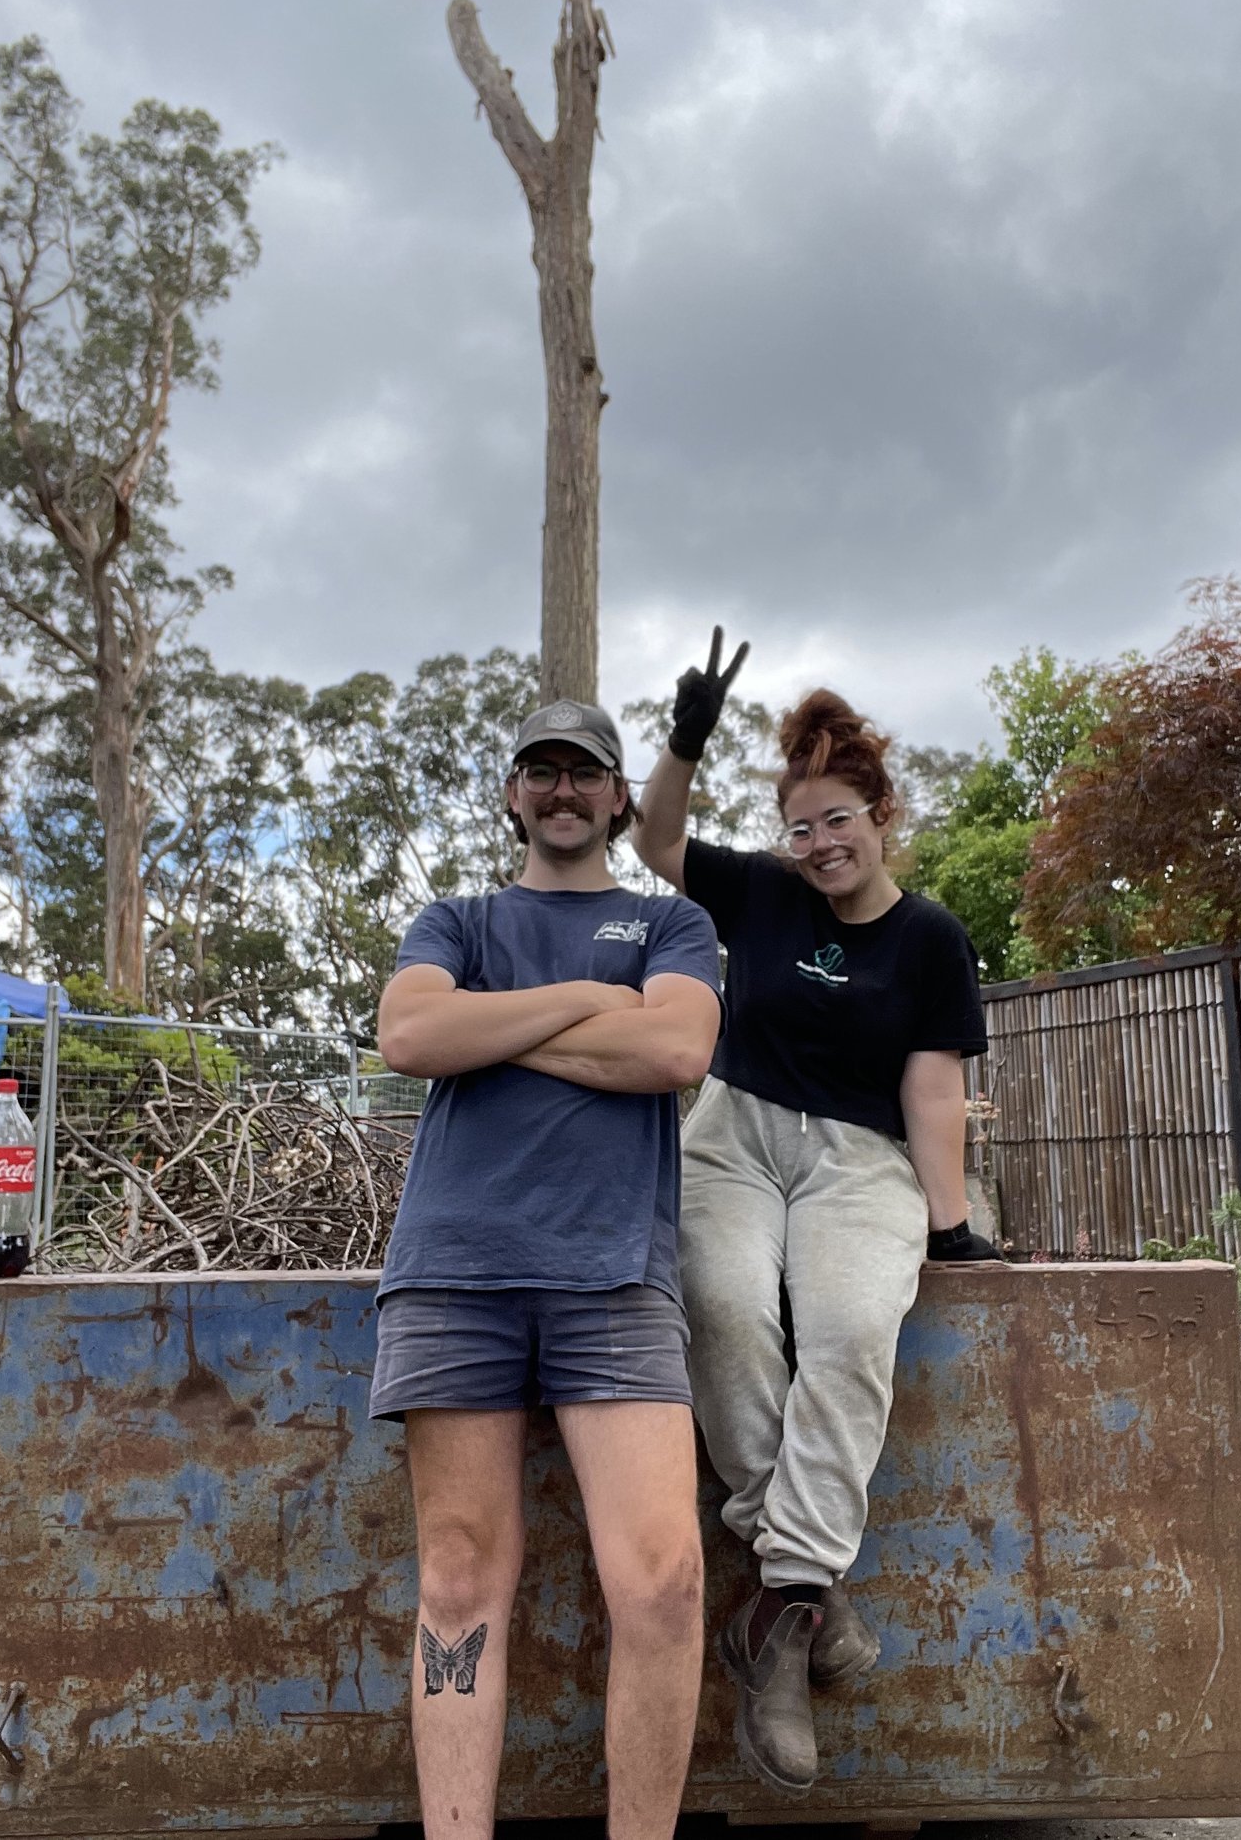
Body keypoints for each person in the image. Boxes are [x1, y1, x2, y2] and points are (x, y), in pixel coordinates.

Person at [631, 634, 1001, 1793]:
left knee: (847, 1336)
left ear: (881, 812)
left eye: (838, 818)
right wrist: (684, 741)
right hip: (734, 1137)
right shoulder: (758, 891)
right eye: (800, 825)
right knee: (723, 1305)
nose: (818, 843)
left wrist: (948, 1222)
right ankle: (802, 1601)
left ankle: (776, 1613)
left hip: (858, 1162)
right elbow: (651, 840)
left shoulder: (932, 939)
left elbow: (931, 1086)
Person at [371, 697, 725, 1840]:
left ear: (621, 798)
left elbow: (673, 1050)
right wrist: (585, 1004)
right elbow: (414, 1037)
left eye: (587, 773)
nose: (563, 790)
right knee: (460, 1584)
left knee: (664, 1581)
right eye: (542, 771)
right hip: (453, 1272)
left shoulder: (672, 928)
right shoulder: (456, 917)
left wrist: (498, 1026)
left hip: (613, 1279)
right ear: (513, 794)